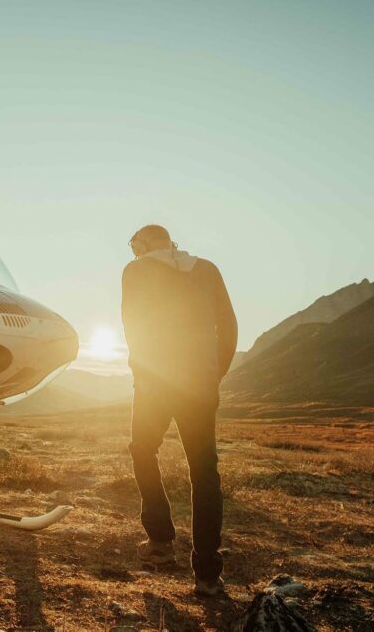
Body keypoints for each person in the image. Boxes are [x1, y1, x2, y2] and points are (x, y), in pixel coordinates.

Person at [121, 224, 238, 597]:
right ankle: (207, 574)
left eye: (133, 245)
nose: (133, 252)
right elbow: (229, 325)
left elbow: (133, 324)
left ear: (142, 243)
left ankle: (160, 542)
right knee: (204, 472)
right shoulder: (207, 269)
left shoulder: (136, 271)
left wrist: (142, 369)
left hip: (156, 382)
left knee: (142, 449)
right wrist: (212, 373)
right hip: (200, 385)